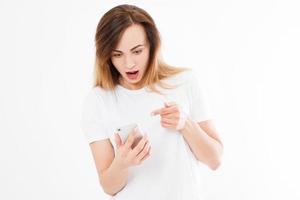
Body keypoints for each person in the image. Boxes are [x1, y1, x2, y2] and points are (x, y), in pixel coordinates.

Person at [81, 4, 223, 200]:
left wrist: (186, 124)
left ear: (152, 45)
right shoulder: (98, 100)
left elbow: (215, 159)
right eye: (117, 54)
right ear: (106, 56)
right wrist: (121, 163)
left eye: (137, 51)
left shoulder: (184, 82)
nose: (129, 64)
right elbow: (109, 187)